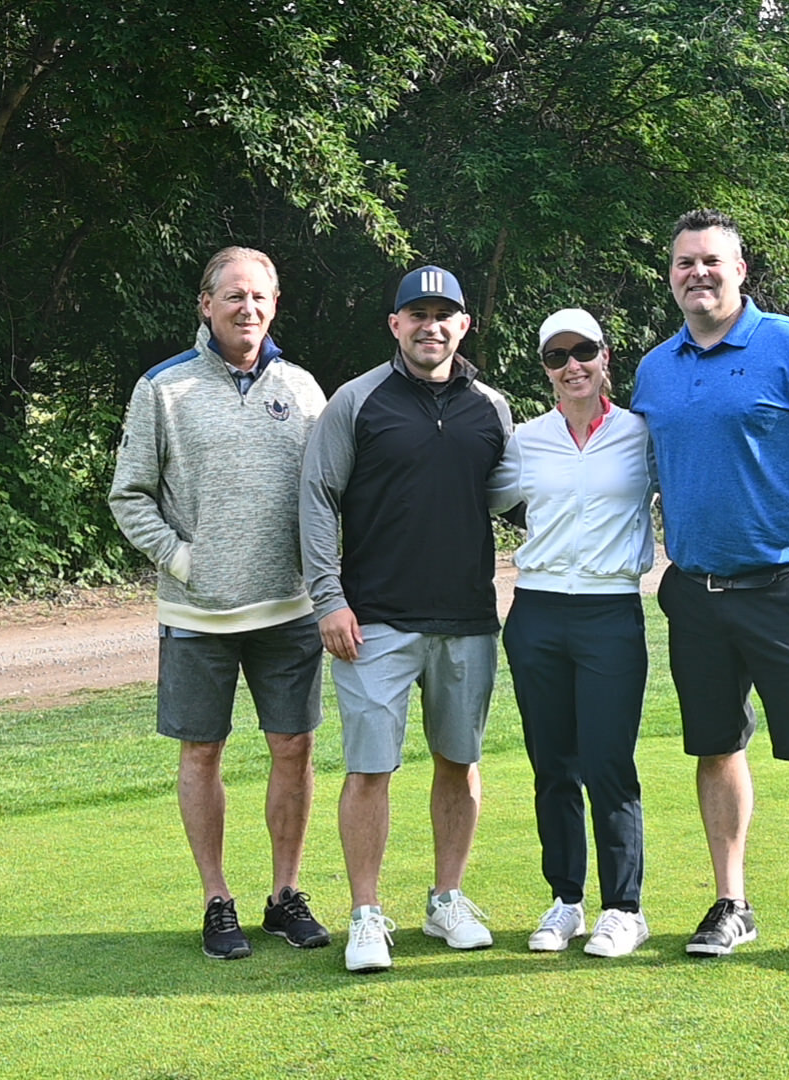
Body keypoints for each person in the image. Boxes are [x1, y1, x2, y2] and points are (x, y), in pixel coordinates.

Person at [630, 209, 789, 978]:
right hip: (696, 593)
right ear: (670, 276)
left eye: (712, 260)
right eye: (684, 262)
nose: (698, 273)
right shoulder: (657, 369)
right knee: (715, 750)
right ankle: (731, 902)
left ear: (740, 271)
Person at [108, 246, 333, 960]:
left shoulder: (303, 389)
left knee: (293, 748)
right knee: (202, 751)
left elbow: (329, 494)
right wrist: (183, 560)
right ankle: (217, 900)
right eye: (234, 296)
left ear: (275, 304)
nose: (248, 308)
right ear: (206, 305)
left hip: (287, 608)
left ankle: (285, 894)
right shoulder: (163, 388)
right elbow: (129, 495)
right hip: (196, 613)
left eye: (260, 296)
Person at [300, 264, 515, 973]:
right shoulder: (356, 401)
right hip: (374, 622)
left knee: (460, 762)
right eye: (417, 315)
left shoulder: (492, 407)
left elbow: (518, 498)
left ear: (464, 325)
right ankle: (365, 914)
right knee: (370, 769)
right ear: (395, 324)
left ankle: (446, 898)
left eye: (443, 315)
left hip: (468, 619)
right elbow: (317, 498)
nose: (431, 326)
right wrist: (328, 599)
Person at [489, 308, 657, 958]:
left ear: (604, 356)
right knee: (553, 766)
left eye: (582, 351)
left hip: (610, 612)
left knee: (608, 762)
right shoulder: (526, 439)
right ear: (546, 369)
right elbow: (485, 498)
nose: (572, 365)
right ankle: (566, 901)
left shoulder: (640, 434)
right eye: (557, 357)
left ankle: (624, 908)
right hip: (537, 613)